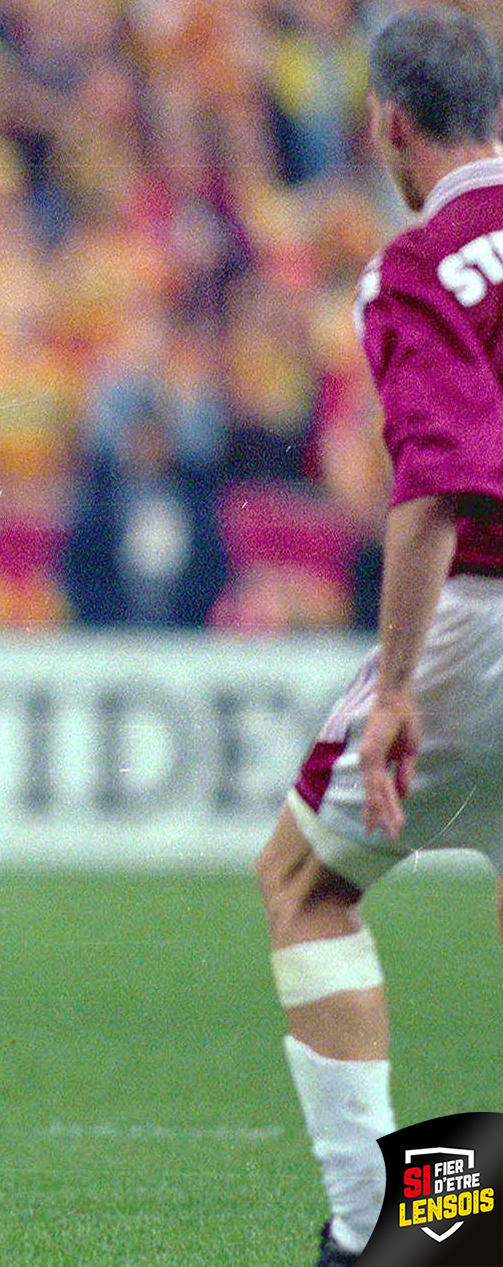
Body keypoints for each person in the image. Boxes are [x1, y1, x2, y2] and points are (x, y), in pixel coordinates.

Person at [253, 11, 503, 1266]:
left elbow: (434, 488)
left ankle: (378, 1226)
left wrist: (396, 685)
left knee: (304, 885)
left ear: (387, 123)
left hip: (480, 618)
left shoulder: (418, 267)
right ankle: (462, 1204)